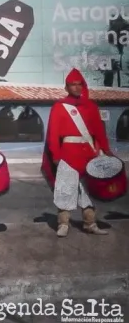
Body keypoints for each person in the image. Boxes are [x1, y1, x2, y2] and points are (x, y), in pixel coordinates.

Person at [41, 68, 110, 237]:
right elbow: (53, 134)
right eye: (72, 85)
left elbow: (99, 132)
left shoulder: (91, 107)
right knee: (65, 189)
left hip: (90, 155)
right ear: (67, 87)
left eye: (79, 84)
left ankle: (90, 223)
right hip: (68, 155)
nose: (76, 88)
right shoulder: (59, 107)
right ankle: (63, 224)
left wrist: (105, 151)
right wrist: (56, 156)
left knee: (89, 190)